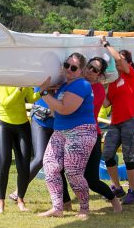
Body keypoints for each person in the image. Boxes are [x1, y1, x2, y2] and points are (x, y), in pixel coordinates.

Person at [37, 53, 97, 218]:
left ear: (82, 70)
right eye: (66, 65)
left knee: (73, 172)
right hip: (60, 131)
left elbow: (64, 108)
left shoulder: (82, 85)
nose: (68, 69)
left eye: (73, 67)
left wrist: (43, 93)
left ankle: (84, 208)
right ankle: (57, 208)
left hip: (81, 131)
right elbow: (57, 109)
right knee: (49, 166)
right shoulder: (64, 85)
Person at [99, 38, 134, 205]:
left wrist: (106, 45)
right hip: (116, 122)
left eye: (122, 59)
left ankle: (132, 191)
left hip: (131, 120)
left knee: (129, 156)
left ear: (128, 63)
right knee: (108, 154)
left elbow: (118, 59)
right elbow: (106, 103)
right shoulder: (113, 82)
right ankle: (117, 187)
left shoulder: (130, 74)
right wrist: (99, 83)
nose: (118, 62)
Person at [77, 56, 122, 212]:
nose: (90, 71)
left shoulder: (97, 89)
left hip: (90, 135)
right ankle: (65, 203)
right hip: (72, 134)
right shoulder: (77, 83)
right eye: (89, 67)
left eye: (95, 70)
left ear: (99, 75)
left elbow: (81, 108)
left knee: (92, 180)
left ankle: (113, 199)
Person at [0, 85, 39, 214]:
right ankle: (1, 203)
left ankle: (21, 200)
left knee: (24, 165)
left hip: (22, 125)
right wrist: (19, 88)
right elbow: (6, 103)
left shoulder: (23, 78)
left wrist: (44, 91)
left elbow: (32, 98)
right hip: (2, 123)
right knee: (4, 161)